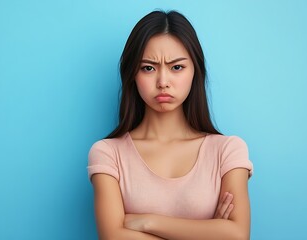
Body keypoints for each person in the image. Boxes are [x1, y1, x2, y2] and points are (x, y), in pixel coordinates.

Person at [87, 10, 253, 240]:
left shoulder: (228, 150)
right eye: (148, 67)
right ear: (132, 74)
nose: (163, 82)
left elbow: (237, 235)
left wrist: (146, 221)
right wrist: (208, 232)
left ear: (195, 71)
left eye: (177, 67)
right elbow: (113, 237)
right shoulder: (108, 153)